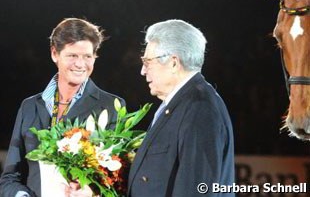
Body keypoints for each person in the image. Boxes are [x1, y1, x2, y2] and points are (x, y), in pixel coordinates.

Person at [0, 18, 125, 197]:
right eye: (72, 55)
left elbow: (119, 178)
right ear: (54, 54)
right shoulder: (29, 107)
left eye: (87, 56)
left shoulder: (111, 107)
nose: (80, 64)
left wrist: (92, 192)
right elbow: (10, 177)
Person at [128, 19, 235, 197]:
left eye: (147, 62)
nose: (143, 71)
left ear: (174, 63)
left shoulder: (199, 108)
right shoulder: (181, 104)